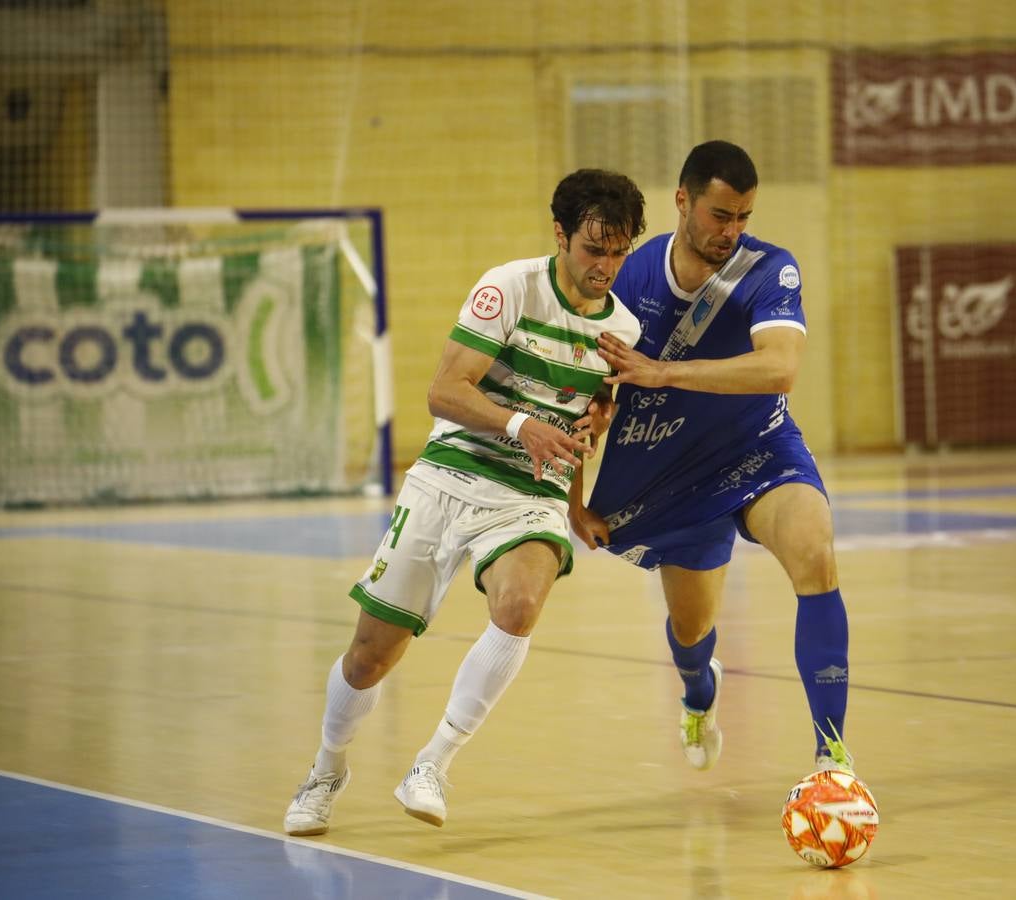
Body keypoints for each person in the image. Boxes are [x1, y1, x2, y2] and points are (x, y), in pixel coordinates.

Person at [283, 169, 645, 835]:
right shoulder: (508, 287)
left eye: (619, 251)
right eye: (594, 249)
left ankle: (432, 764)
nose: (607, 266)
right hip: (451, 472)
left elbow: (583, 421)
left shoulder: (622, 326)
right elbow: (444, 390)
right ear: (560, 235)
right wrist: (518, 424)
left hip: (527, 494)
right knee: (370, 656)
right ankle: (327, 767)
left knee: (520, 606)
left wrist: (575, 500)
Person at [571, 140, 855, 780]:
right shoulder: (631, 277)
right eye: (720, 215)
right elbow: (582, 395)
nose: (732, 231)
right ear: (683, 201)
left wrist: (666, 372)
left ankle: (830, 756)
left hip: (758, 449)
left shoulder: (768, 269)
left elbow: (780, 368)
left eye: (744, 217)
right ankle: (699, 694)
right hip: (672, 474)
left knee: (816, 551)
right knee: (692, 631)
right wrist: (574, 498)